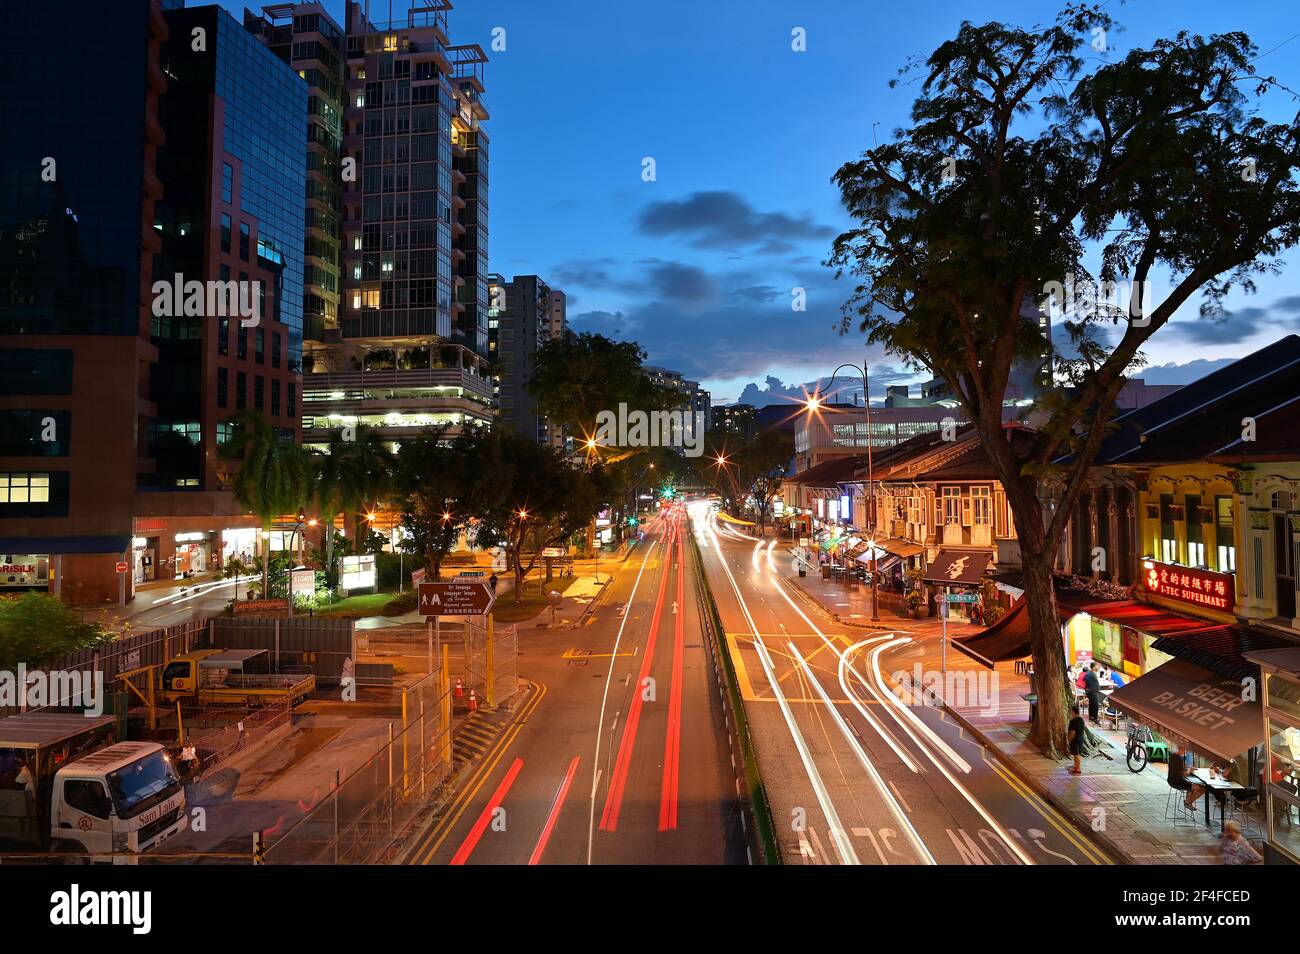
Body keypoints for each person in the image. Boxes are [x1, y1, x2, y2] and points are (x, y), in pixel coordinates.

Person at [1067, 704, 1087, 775]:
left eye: (1070, 711)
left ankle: (1078, 768)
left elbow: (1073, 732)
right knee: (1077, 754)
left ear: (1073, 712)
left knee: (1076, 754)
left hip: (1075, 739)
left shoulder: (1073, 721)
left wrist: (1069, 739)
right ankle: (1076, 766)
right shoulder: (1081, 720)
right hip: (1081, 738)